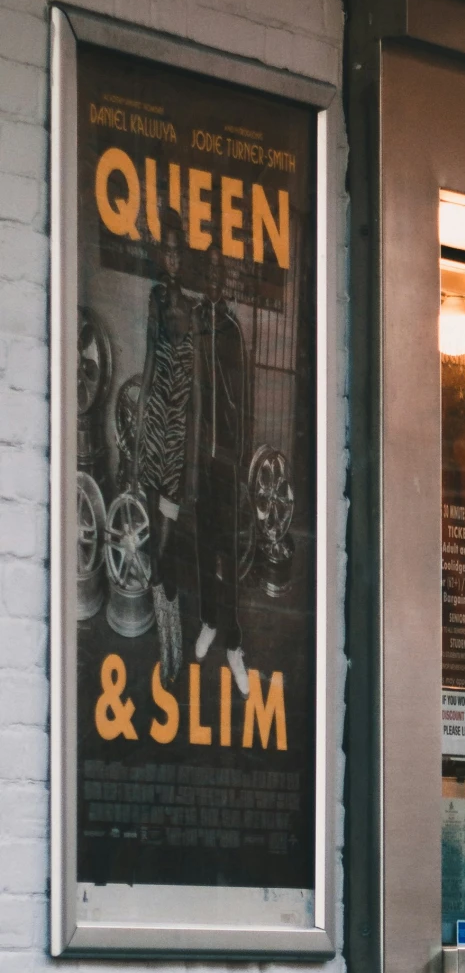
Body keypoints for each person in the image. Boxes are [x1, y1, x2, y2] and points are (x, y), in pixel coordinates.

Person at [133, 210, 195, 685]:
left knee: (168, 538)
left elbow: (193, 384)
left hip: (179, 430)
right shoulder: (156, 300)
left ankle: (170, 629)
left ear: (184, 257)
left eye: (179, 251)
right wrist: (138, 428)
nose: (172, 258)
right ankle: (167, 646)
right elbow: (151, 363)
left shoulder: (191, 308)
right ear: (161, 255)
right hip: (156, 423)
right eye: (167, 250)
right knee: (156, 534)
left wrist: (189, 443)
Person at [192, 247, 250, 692]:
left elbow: (243, 401)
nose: (214, 278)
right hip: (200, 458)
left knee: (228, 555)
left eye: (220, 272)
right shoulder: (194, 322)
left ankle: (233, 642)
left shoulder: (232, 330)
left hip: (228, 462)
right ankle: (209, 621)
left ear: (227, 281)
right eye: (208, 271)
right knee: (202, 543)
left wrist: (242, 458)